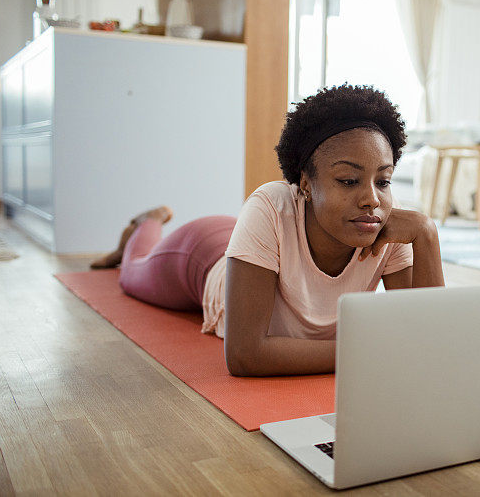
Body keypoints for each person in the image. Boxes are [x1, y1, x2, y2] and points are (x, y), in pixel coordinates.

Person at [91, 84, 445, 377]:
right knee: (132, 272)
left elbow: (428, 344)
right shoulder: (270, 204)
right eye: (349, 180)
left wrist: (427, 234)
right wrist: (364, 352)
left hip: (254, 248)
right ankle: (146, 223)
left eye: (383, 181)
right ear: (306, 183)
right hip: (201, 257)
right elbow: (246, 355)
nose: (371, 199)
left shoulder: (388, 225)